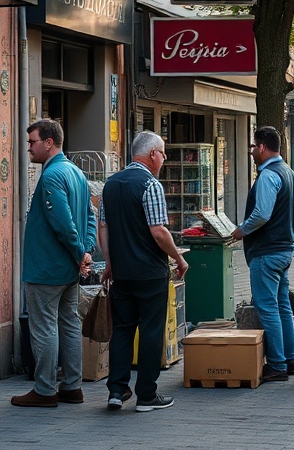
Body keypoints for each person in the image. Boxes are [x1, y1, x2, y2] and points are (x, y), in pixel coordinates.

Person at [99, 131, 188, 412]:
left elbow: (104, 228)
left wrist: (110, 263)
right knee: (151, 331)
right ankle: (147, 395)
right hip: (150, 273)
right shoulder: (151, 185)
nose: (163, 159)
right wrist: (178, 258)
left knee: (123, 330)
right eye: (162, 153)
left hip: (122, 273)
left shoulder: (110, 185)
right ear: (152, 154)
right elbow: (158, 230)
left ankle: (116, 390)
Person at [11, 119, 97, 409]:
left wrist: (79, 252)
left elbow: (63, 223)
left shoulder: (51, 176)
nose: (29, 148)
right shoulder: (75, 172)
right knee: (69, 325)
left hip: (46, 267)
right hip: (68, 269)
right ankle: (72, 386)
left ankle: (45, 389)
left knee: (45, 328)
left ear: (49, 142)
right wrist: (85, 252)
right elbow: (90, 216)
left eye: (32, 142)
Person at [231, 126, 294, 383]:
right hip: (283, 249)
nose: (251, 152)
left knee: (267, 308)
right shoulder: (290, 174)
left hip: (267, 251)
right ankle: (289, 359)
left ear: (262, 147)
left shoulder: (269, 176)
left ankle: (278, 365)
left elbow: (262, 213)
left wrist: (242, 230)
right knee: (282, 306)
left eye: (252, 147)